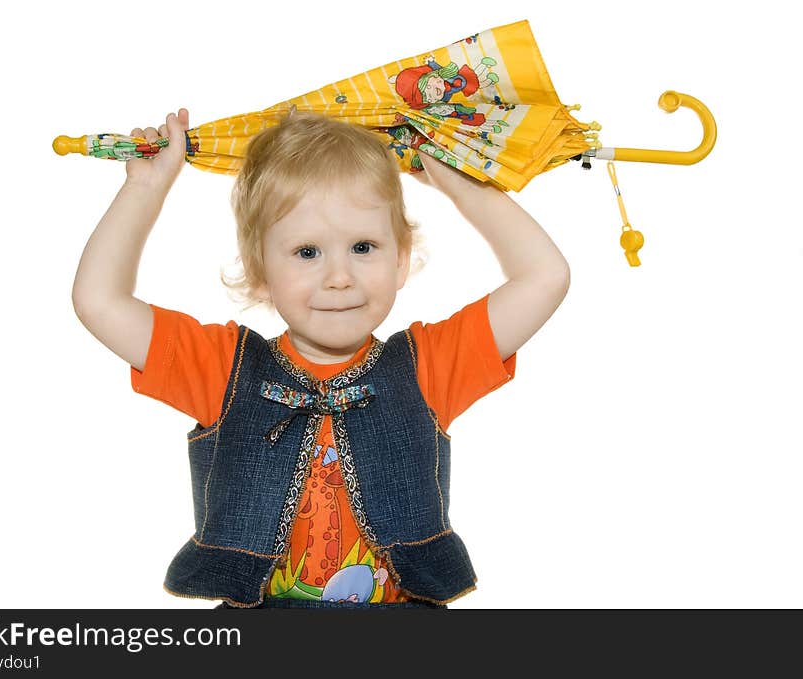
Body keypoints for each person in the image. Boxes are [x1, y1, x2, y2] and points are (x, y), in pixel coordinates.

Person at [71, 106, 571, 609]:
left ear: (400, 259)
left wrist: (462, 184)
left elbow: (544, 277)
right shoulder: (223, 368)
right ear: (260, 269)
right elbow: (100, 301)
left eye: (363, 246)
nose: (339, 277)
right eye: (307, 252)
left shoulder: (428, 366)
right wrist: (145, 189)